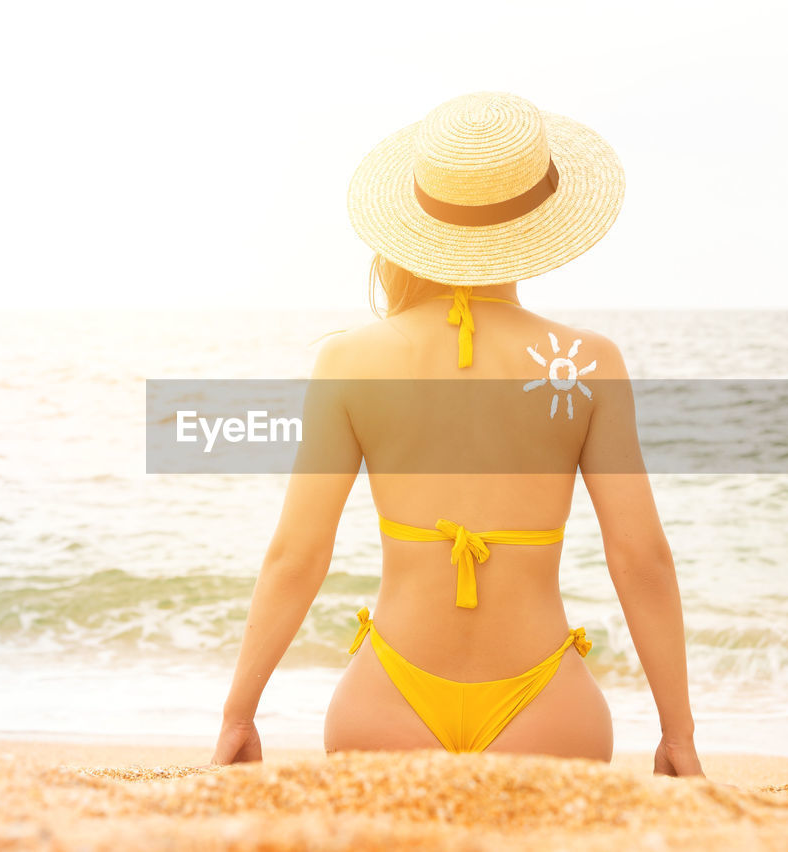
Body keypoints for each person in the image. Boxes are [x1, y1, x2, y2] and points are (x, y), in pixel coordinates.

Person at [211, 92, 704, 777]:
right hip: (548, 707)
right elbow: (641, 558)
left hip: (385, 701)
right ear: (536, 222)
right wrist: (678, 733)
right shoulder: (588, 364)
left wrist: (239, 714)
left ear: (416, 219)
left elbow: (296, 555)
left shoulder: (349, 362)